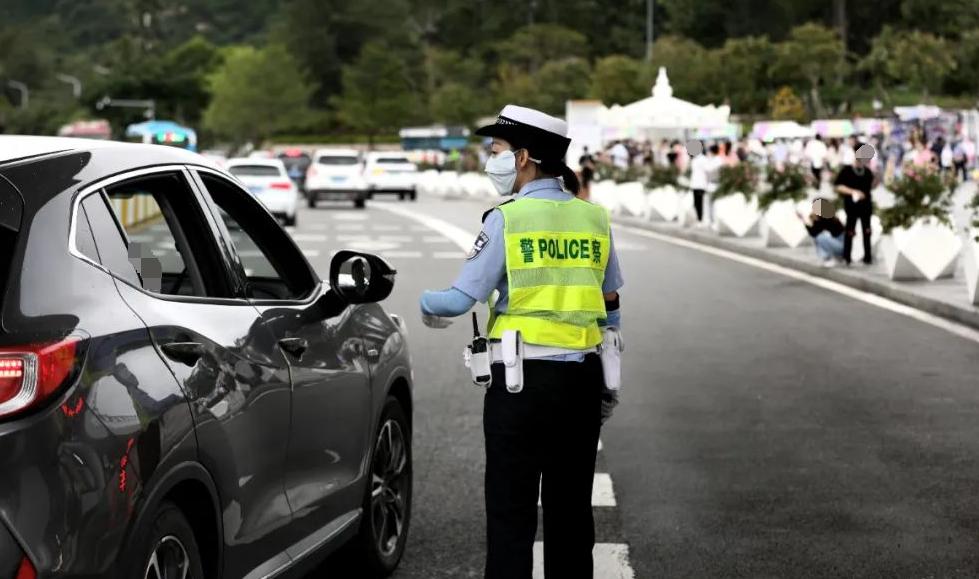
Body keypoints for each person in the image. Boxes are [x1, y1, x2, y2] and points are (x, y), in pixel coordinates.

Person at [419, 104, 624, 579]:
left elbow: (458, 299)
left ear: (525, 157)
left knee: (511, 510)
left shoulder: (507, 219)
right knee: (571, 510)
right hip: (583, 382)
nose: (491, 161)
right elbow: (609, 302)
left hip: (521, 384)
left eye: (497, 151)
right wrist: (608, 376)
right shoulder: (594, 218)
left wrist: (423, 301)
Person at [835, 143, 876, 265]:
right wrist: (853, 191)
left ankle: (867, 257)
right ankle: (847, 256)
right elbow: (838, 186)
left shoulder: (867, 172)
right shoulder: (847, 170)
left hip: (866, 205)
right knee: (850, 230)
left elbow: (870, 187)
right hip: (852, 206)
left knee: (867, 231)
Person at [799, 199, 846, 266]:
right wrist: (804, 220)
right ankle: (826, 258)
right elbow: (813, 233)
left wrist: (813, 220)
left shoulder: (828, 217)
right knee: (819, 238)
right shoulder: (822, 218)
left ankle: (828, 258)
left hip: (842, 246)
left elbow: (816, 233)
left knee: (820, 237)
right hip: (838, 244)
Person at [688, 141, 711, 222]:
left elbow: (708, 170)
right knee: (696, 203)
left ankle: (701, 219)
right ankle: (699, 219)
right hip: (695, 184)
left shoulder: (703, 159)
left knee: (700, 203)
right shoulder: (694, 159)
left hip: (701, 184)